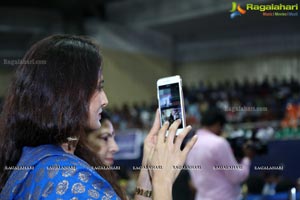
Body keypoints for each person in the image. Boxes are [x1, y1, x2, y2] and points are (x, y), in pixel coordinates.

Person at [0, 35, 198, 200]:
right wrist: (163, 181)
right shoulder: (68, 178)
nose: (105, 100)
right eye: (98, 88)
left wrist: (147, 171)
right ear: (68, 93)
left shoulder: (36, 156)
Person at [186, 107, 254, 200]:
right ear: (218, 124)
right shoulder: (218, 143)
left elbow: (193, 182)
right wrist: (247, 159)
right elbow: (236, 177)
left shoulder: (190, 143)